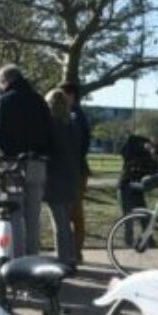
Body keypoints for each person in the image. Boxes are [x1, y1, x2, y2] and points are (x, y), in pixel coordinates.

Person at [0, 64, 51, 256]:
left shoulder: (3, 102)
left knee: (14, 213)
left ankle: (17, 258)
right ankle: (33, 256)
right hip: (37, 162)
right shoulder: (39, 100)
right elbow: (49, 131)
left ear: (4, 81)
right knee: (33, 216)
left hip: (12, 163)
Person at [43, 89, 80, 268]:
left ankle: (63, 260)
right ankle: (71, 257)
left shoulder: (49, 125)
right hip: (71, 177)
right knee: (66, 220)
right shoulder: (72, 125)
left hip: (54, 177)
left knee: (59, 222)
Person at [59, 82, 89, 262]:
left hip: (76, 170)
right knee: (71, 213)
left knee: (74, 213)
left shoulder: (76, 116)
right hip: (75, 169)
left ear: (71, 95)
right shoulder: (73, 114)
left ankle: (75, 252)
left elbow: (81, 144)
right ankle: (73, 251)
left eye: (62, 95)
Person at [118, 133, 158, 245]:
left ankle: (148, 241)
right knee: (129, 218)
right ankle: (131, 243)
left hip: (134, 187)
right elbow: (131, 140)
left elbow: (153, 172)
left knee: (141, 216)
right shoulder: (138, 150)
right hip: (127, 186)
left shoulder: (148, 158)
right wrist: (149, 144)